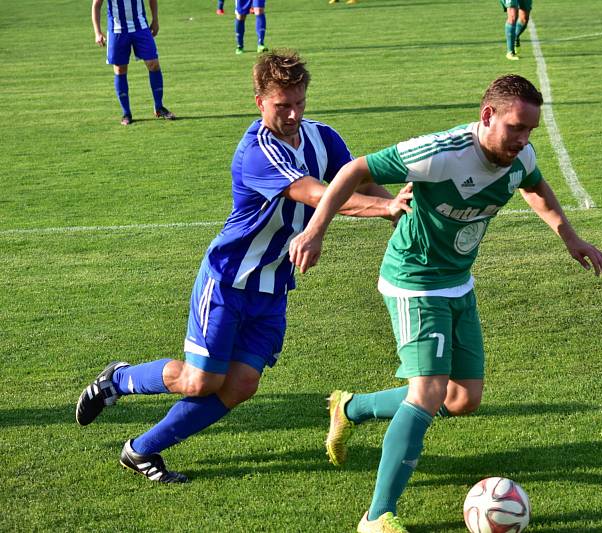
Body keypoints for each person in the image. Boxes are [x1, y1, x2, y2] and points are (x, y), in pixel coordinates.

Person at [288, 74, 602, 532]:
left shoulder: (520, 157)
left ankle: (351, 407)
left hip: (458, 283)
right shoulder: (440, 153)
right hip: (414, 282)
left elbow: (534, 185)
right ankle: (376, 516)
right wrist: (315, 231)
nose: (522, 140)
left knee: (462, 398)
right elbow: (355, 170)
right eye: (515, 128)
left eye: (529, 131)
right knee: (426, 392)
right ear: (488, 116)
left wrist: (571, 238)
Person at [75, 50, 412, 483]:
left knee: (240, 385)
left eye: (299, 103)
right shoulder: (257, 151)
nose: (292, 114)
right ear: (259, 102)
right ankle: (118, 379)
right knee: (200, 382)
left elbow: (358, 181)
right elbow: (313, 193)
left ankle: (141, 450)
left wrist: (398, 208)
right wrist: (385, 209)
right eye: (281, 106)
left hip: (273, 287)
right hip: (228, 281)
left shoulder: (322, 138)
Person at [91, 0, 176, 125]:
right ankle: (126, 113)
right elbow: (96, 5)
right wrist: (97, 32)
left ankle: (159, 107)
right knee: (120, 69)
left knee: (153, 64)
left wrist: (155, 19)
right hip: (117, 30)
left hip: (140, 27)